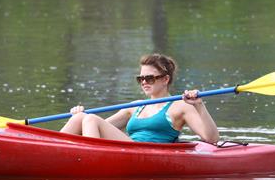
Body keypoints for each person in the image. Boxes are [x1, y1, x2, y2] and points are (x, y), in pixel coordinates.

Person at [60, 54, 220, 143]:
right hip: (128, 150)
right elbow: (96, 128)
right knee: (83, 117)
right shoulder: (135, 106)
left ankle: (89, 161)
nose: (144, 82)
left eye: (149, 78)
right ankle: (55, 148)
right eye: (140, 78)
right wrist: (78, 117)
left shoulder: (181, 106)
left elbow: (211, 138)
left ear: (165, 79)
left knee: (90, 119)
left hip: (147, 154)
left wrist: (199, 105)